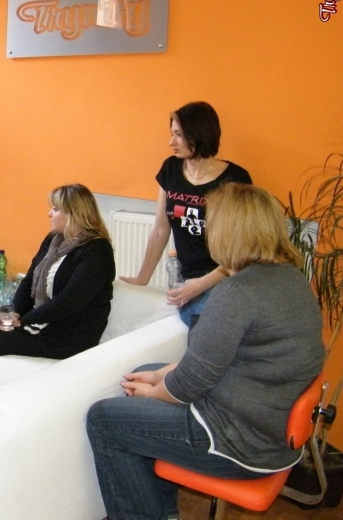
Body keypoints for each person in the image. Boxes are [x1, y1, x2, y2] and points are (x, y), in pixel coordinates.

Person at [87, 183, 325, 520]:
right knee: (145, 371)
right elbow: (210, 359)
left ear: (228, 232)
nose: (206, 231)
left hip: (238, 444)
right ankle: (163, 513)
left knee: (104, 419)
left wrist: (153, 392)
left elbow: (188, 386)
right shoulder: (290, 278)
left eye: (211, 224)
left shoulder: (238, 292)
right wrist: (158, 375)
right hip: (264, 423)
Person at [121, 101, 252, 327]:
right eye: (172, 133)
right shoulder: (171, 169)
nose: (171, 142)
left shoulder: (235, 179)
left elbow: (239, 249)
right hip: (185, 278)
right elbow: (160, 229)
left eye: (179, 135)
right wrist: (142, 279)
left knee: (200, 328)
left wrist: (201, 284)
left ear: (200, 134)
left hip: (221, 280)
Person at [0, 184, 115, 361]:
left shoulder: (97, 250)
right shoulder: (54, 239)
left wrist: (22, 320)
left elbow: (69, 301)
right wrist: (14, 313)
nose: (49, 214)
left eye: (55, 209)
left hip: (69, 332)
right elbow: (29, 280)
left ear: (73, 214)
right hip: (39, 316)